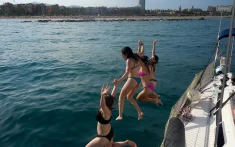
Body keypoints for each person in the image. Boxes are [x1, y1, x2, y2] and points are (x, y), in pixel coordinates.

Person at [86, 82, 137, 147]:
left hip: (103, 137)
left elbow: (102, 104)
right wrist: (115, 86)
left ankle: (126, 143)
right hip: (109, 133)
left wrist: (102, 95)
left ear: (105, 102)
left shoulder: (106, 111)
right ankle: (126, 143)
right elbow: (112, 96)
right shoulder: (109, 108)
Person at [115, 46, 144, 121]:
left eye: (123, 55)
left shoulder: (128, 61)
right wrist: (141, 45)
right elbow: (142, 52)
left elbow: (127, 73)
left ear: (126, 54)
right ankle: (140, 112)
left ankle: (120, 115)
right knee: (129, 97)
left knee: (121, 97)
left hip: (132, 79)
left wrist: (118, 81)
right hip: (138, 80)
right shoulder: (136, 56)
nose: (122, 56)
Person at [136, 40, 163, 106]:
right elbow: (153, 52)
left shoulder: (148, 66)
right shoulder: (152, 65)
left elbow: (139, 56)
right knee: (149, 93)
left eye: (153, 59)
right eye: (151, 58)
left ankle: (155, 99)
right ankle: (156, 96)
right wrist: (153, 44)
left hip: (150, 84)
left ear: (155, 61)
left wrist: (140, 46)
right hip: (152, 83)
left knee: (139, 98)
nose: (151, 58)